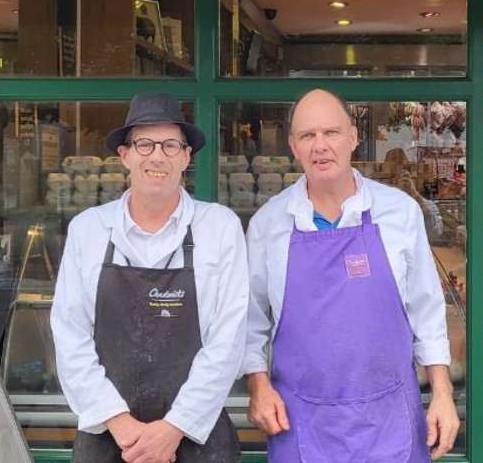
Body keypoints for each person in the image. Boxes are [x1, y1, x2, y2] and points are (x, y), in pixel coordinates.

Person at [243, 88, 460, 462]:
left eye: (331, 133)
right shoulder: (268, 224)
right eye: (308, 136)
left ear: (353, 138)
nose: (320, 146)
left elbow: (426, 311)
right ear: (293, 146)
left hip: (390, 420)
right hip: (300, 424)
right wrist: (258, 385)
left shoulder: (399, 212)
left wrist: (442, 393)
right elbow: (250, 322)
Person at [51, 93, 248, 463]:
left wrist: (173, 428)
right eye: (144, 143)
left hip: (196, 438)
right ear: (125, 155)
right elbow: (70, 335)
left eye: (171, 145)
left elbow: (229, 339)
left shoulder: (220, 228)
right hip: (110, 439)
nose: (157, 156)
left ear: (187, 156)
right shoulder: (89, 230)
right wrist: (122, 425)